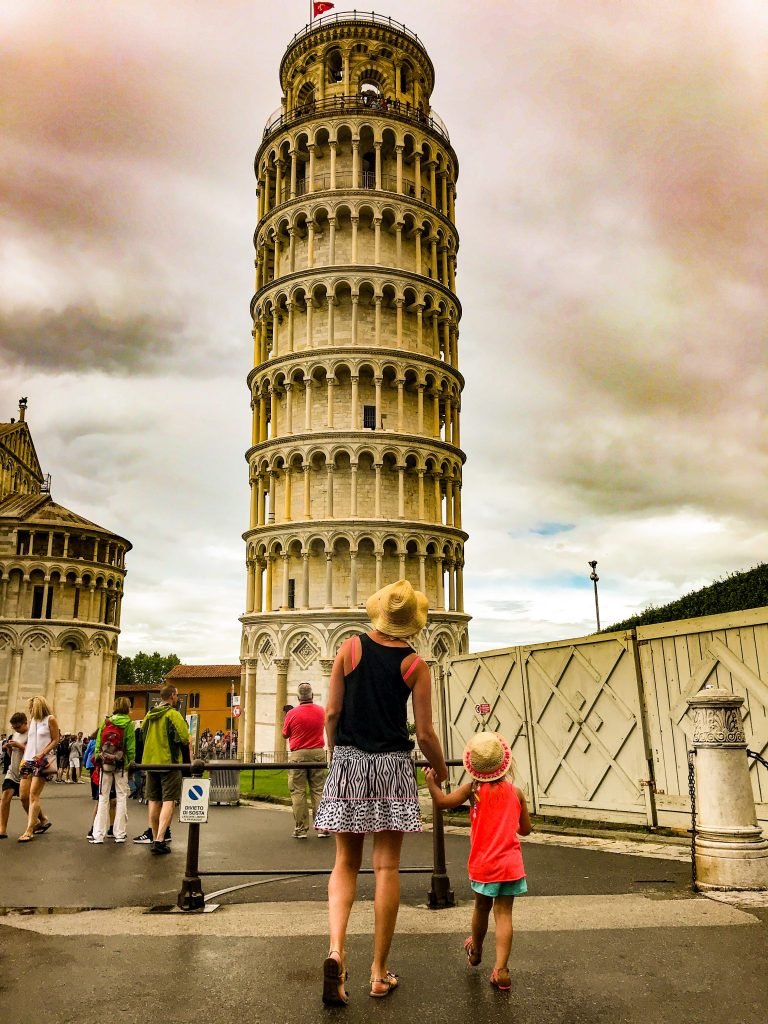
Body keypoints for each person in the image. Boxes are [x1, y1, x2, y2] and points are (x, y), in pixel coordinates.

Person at [314, 579, 448, 1005]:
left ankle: (336, 950)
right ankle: (378, 972)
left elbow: (332, 712)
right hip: (392, 766)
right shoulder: (415, 665)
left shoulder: (349, 649)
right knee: (386, 869)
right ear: (411, 623)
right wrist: (441, 767)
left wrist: (337, 755)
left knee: (345, 863)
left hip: (350, 762)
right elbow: (424, 733)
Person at [426, 731, 532, 992]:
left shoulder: (472, 790)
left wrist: (431, 783)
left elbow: (441, 803)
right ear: (504, 763)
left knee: (481, 909)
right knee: (504, 914)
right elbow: (525, 829)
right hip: (511, 865)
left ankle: (476, 951)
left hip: (484, 865)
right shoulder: (516, 792)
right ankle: (502, 970)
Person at [134, 685, 189, 854]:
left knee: (153, 800)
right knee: (169, 800)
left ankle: (154, 835)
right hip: (168, 762)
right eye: (177, 695)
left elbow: (141, 736)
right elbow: (185, 737)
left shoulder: (149, 715)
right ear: (172, 696)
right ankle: (159, 839)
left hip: (150, 763)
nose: (178, 698)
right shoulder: (173, 714)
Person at [283, 683, 328, 839]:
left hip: (298, 755)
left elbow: (285, 734)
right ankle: (322, 828)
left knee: (298, 791)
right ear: (312, 696)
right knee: (318, 790)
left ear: (298, 697)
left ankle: (301, 829)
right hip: (317, 753)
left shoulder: (292, 713)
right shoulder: (321, 711)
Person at [90, 697, 136, 844]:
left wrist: (99, 756)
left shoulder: (106, 722)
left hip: (105, 763)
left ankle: (98, 834)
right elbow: (130, 747)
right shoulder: (129, 724)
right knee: (121, 797)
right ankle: (119, 833)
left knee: (103, 797)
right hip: (120, 765)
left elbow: (98, 742)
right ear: (127, 708)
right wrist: (128, 762)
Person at [17, 696, 59, 842]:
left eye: (31, 707)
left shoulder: (50, 719)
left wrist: (43, 752)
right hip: (28, 760)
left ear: (37, 706)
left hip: (41, 761)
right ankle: (42, 819)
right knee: (23, 796)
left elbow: (56, 739)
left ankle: (29, 829)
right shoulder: (32, 721)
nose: (29, 710)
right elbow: (30, 742)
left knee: (33, 795)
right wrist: (23, 758)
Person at [0, 712, 45, 838]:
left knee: (26, 800)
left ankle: (41, 820)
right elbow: (12, 755)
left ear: (26, 723)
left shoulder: (32, 734)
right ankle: (2, 829)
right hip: (12, 771)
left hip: (26, 772)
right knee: (5, 798)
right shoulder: (15, 734)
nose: (16, 730)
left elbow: (34, 752)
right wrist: (8, 747)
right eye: (14, 728)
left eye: (18, 727)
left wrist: (18, 745)